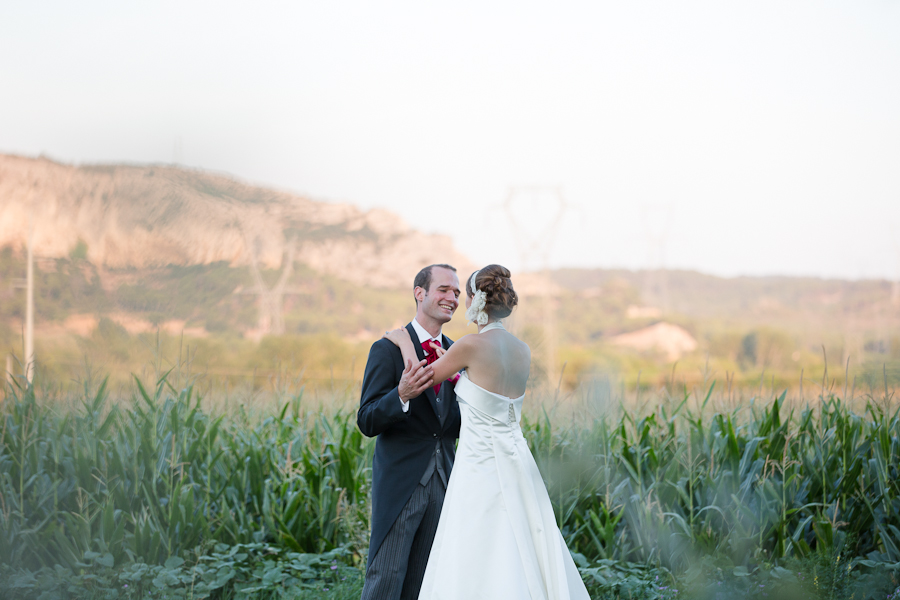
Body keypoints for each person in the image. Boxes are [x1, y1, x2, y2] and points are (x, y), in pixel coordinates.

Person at [382, 264, 590, 600]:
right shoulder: (522, 351)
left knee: (477, 543)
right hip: (517, 458)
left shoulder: (469, 346)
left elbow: (420, 380)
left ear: (475, 300)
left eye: (463, 295)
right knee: (519, 538)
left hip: (479, 464)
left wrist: (406, 343)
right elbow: (487, 391)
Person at [357, 264, 463, 600]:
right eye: (444, 289)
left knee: (425, 584)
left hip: (445, 482)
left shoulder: (459, 352)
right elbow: (367, 419)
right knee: (386, 578)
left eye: (457, 293)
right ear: (420, 293)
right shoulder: (387, 349)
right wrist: (400, 395)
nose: (452, 298)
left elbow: (456, 423)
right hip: (402, 484)